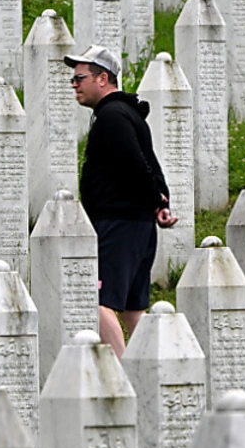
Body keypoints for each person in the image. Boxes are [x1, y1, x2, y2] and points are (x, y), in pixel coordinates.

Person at [65, 45, 178, 357]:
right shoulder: (127, 113)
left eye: (79, 78)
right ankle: (155, 371)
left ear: (103, 79)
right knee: (132, 309)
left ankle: (126, 376)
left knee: (97, 302)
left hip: (119, 225)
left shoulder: (112, 116)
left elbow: (134, 164)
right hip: (137, 224)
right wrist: (159, 202)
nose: (74, 85)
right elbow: (151, 165)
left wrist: (155, 198)